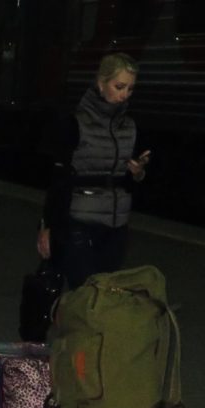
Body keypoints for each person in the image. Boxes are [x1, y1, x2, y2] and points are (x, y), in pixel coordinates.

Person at [37, 52, 151, 288]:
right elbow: (59, 181)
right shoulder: (75, 123)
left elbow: (126, 182)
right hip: (80, 223)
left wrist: (137, 173)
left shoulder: (129, 127)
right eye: (119, 86)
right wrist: (47, 227)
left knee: (103, 297)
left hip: (116, 227)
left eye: (130, 89)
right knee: (83, 293)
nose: (124, 95)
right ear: (101, 83)